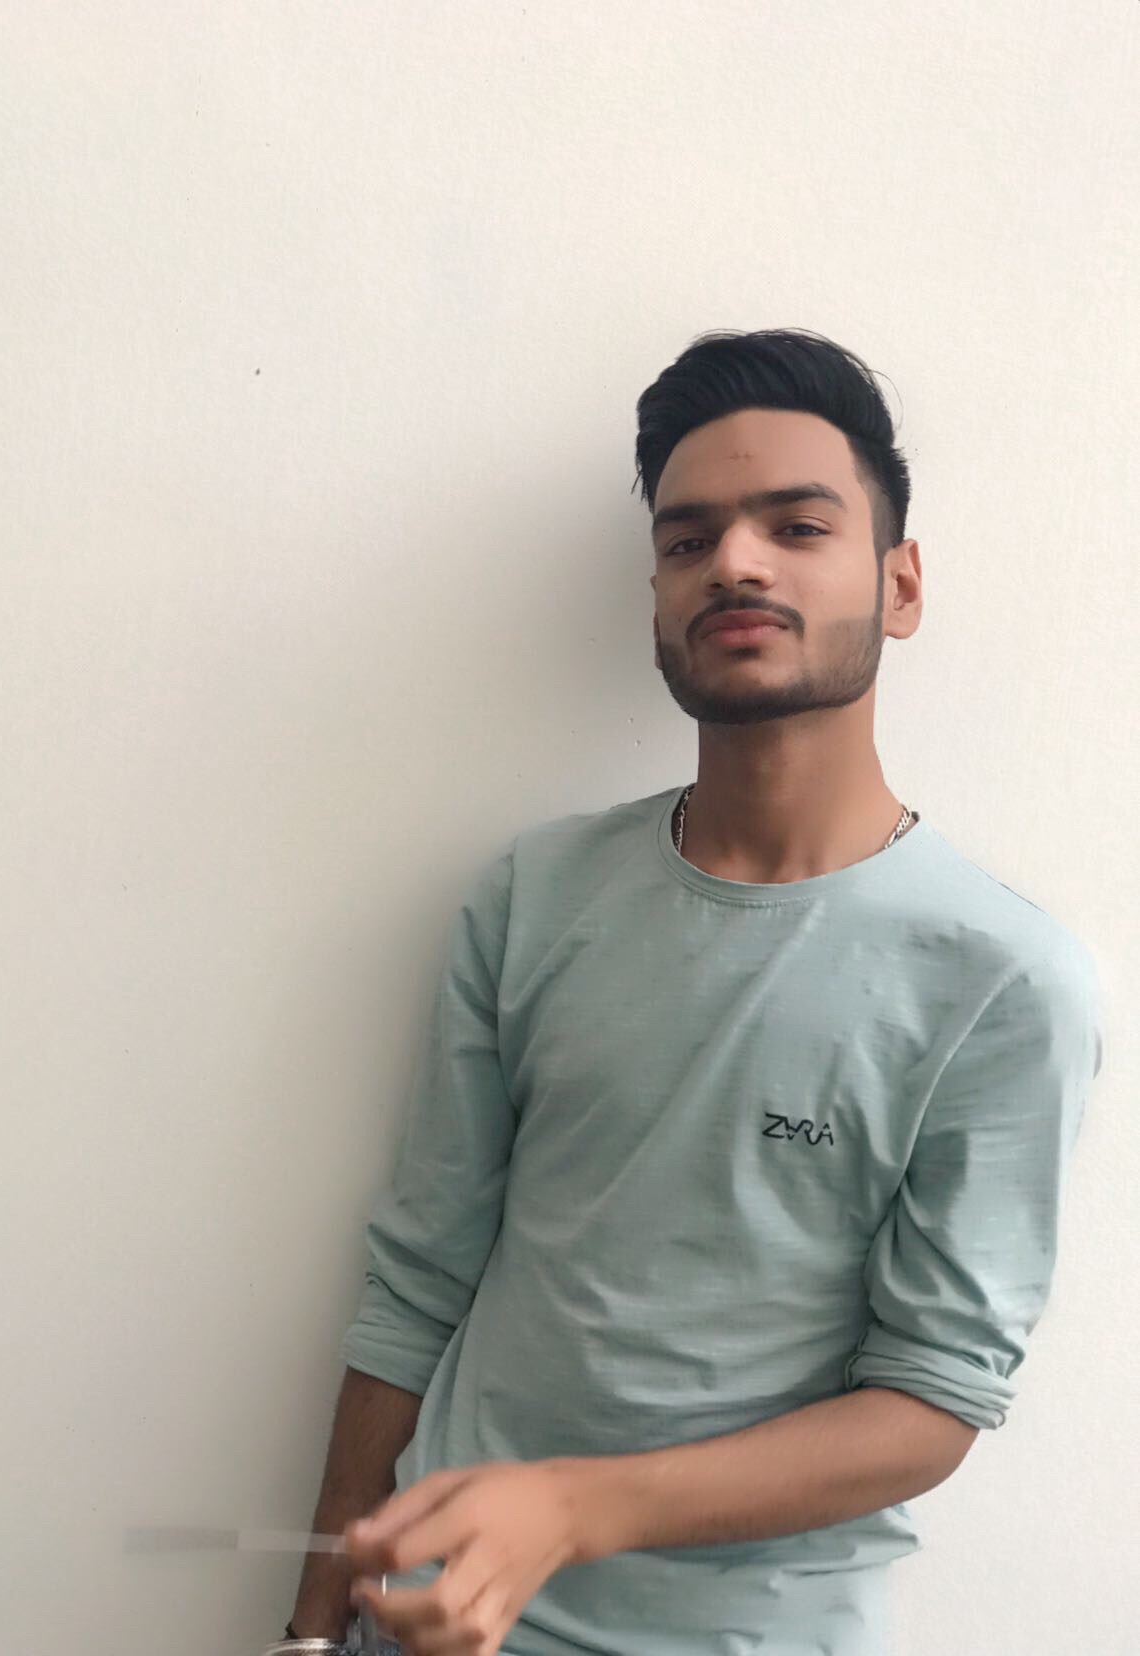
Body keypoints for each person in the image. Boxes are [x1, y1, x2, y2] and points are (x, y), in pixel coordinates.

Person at [283, 328, 1104, 1656]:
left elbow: (930, 1400)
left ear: (899, 585)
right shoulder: (535, 894)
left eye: (797, 526)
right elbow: (419, 1274)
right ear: (658, 595)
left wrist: (572, 1509)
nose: (734, 562)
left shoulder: (997, 978)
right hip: (429, 1627)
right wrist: (315, 1625)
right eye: (688, 540)